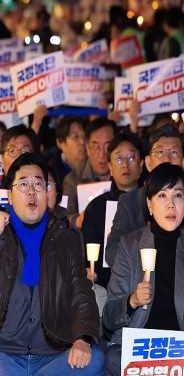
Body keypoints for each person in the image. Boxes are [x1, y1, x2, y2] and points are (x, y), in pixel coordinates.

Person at [0, 153, 104, 376]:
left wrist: (83, 338)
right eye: (23, 185)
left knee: (94, 359)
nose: (31, 192)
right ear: (9, 195)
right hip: (3, 353)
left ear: (49, 193)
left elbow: (82, 293)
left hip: (53, 354)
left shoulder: (65, 238)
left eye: (39, 184)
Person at [103, 163, 184, 375]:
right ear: (149, 205)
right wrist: (132, 301)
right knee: (111, 359)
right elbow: (109, 317)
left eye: (178, 196)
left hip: (179, 350)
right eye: (162, 196)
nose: (171, 205)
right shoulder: (130, 245)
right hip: (140, 348)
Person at [106, 123, 184, 266]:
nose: (166, 159)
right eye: (159, 152)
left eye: (174, 152)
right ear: (148, 163)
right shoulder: (130, 202)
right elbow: (112, 254)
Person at [81, 133, 143, 288]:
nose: (125, 165)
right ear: (110, 166)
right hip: (106, 285)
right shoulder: (97, 207)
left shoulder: (154, 203)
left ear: (142, 164)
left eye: (131, 158)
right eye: (119, 159)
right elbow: (89, 251)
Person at [63, 118, 116, 225]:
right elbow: (64, 214)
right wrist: (77, 221)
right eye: (96, 147)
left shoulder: (124, 175)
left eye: (108, 147)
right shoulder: (73, 180)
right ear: (87, 148)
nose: (102, 154)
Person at [48, 117, 87, 188]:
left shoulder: (95, 165)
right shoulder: (51, 172)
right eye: (76, 137)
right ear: (60, 143)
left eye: (84, 136)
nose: (82, 142)